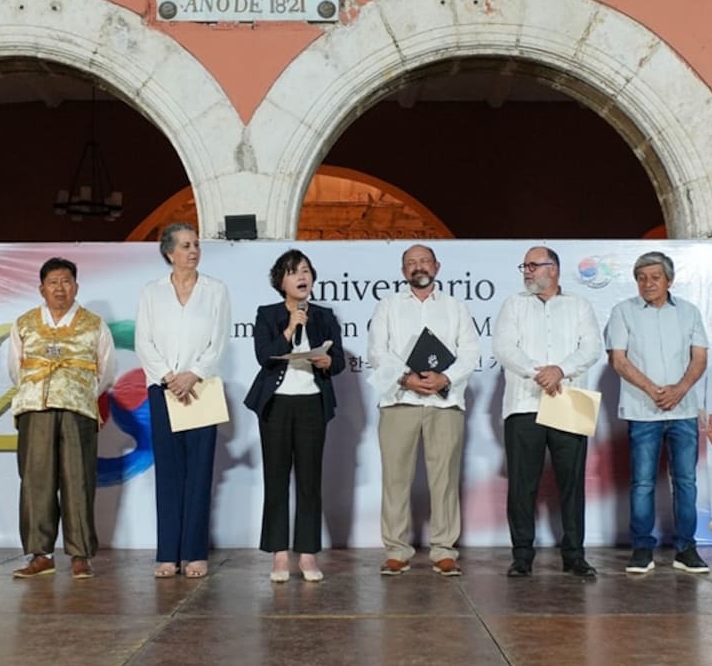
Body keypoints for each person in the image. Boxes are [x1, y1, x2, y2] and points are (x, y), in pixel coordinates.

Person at [367, 244, 477, 576]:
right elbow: (376, 351)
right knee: (395, 479)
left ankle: (444, 550)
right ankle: (397, 550)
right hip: (400, 400)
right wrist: (406, 378)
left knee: (444, 479)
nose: (418, 267)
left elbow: (470, 351)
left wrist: (445, 377)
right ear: (403, 272)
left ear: (437, 266)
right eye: (411, 263)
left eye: (424, 261)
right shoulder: (388, 306)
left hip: (444, 402)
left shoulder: (455, 307)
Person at [492, 246, 602, 578]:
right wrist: (538, 372)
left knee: (571, 483)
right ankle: (522, 555)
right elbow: (504, 348)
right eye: (523, 266)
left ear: (552, 269)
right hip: (524, 403)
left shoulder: (579, 305)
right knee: (522, 485)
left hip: (568, 399)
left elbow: (591, 347)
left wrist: (561, 370)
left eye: (532, 265)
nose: (526, 271)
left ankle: (574, 554)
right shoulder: (513, 305)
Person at [8, 257, 115, 579]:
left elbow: (106, 371)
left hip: (78, 409)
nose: (60, 288)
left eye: (66, 281)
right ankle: (40, 554)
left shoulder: (94, 324)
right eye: (53, 282)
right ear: (42, 288)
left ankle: (80, 554)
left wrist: (77, 390)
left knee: (78, 480)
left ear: (76, 286)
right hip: (34, 409)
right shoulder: (24, 323)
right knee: (35, 481)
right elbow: (16, 369)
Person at [243, 249, 346, 582]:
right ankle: (278, 555)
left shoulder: (325, 316)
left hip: (311, 403)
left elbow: (339, 360)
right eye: (294, 272)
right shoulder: (268, 314)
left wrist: (328, 362)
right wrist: (289, 327)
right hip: (276, 404)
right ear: (281, 281)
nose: (302, 277)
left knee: (309, 480)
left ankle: (307, 555)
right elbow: (264, 356)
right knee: (276, 479)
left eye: (306, 271)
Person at [135, 223, 230, 579]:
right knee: (170, 473)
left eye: (196, 245)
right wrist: (169, 377)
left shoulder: (215, 290)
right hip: (163, 390)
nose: (193, 251)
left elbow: (219, 342)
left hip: (201, 388)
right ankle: (167, 554)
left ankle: (194, 552)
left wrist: (193, 374)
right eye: (186, 245)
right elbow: (144, 341)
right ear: (169, 253)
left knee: (200, 472)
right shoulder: (151, 292)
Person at [605, 251, 710, 574]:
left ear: (669, 280)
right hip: (642, 410)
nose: (648, 283)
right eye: (641, 278)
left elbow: (700, 358)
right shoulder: (623, 312)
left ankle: (686, 549)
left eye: (655, 277)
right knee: (643, 483)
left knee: (686, 482)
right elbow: (618, 360)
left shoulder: (689, 312)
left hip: (684, 409)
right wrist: (654, 390)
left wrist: (679, 389)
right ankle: (641, 549)